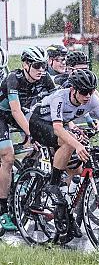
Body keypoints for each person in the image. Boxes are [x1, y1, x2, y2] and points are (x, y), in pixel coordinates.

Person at [30, 69, 99, 237]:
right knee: (69, 143)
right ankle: (53, 184)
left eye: (91, 91)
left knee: (77, 169)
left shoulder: (91, 99)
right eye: (84, 92)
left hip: (59, 126)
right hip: (39, 123)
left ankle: (65, 214)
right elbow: (58, 128)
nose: (88, 96)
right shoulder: (60, 98)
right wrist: (76, 145)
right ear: (73, 90)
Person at [0, 46, 55, 231]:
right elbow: (15, 111)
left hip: (23, 114)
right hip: (3, 115)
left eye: (44, 65)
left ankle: (23, 178)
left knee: (44, 144)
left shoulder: (45, 78)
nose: (42, 69)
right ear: (25, 64)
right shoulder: (13, 79)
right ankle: (2, 211)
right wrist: (31, 134)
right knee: (8, 156)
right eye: (37, 65)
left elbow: (56, 104)